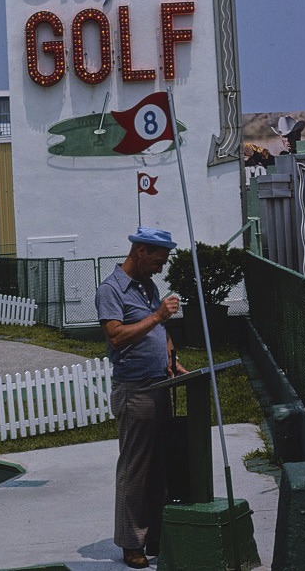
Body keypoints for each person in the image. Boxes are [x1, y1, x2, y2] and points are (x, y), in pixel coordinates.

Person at [95, 227, 187, 569]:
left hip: (159, 385)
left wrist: (170, 358)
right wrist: (158, 316)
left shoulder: (148, 286)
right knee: (136, 469)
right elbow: (116, 336)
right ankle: (131, 543)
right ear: (140, 251)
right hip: (135, 391)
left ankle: (156, 537)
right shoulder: (111, 290)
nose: (160, 268)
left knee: (159, 468)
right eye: (158, 261)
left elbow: (159, 331)